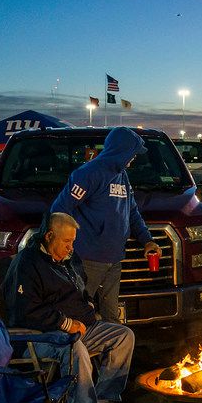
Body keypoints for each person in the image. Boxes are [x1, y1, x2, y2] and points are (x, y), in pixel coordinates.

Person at [2, 212, 135, 403]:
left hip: (82, 327)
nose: (70, 248)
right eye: (66, 242)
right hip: (42, 336)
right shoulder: (27, 263)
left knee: (123, 336)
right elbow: (24, 311)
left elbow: (81, 289)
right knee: (76, 348)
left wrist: (89, 306)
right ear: (49, 235)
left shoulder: (68, 259)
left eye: (73, 242)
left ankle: (104, 402)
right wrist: (64, 323)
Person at [50, 127, 161, 323]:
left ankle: (110, 351)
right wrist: (62, 245)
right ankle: (75, 352)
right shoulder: (89, 173)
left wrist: (148, 241)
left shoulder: (122, 176)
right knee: (77, 313)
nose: (134, 158)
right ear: (121, 150)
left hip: (114, 260)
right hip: (87, 260)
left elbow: (132, 213)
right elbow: (60, 209)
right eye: (132, 153)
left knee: (111, 317)